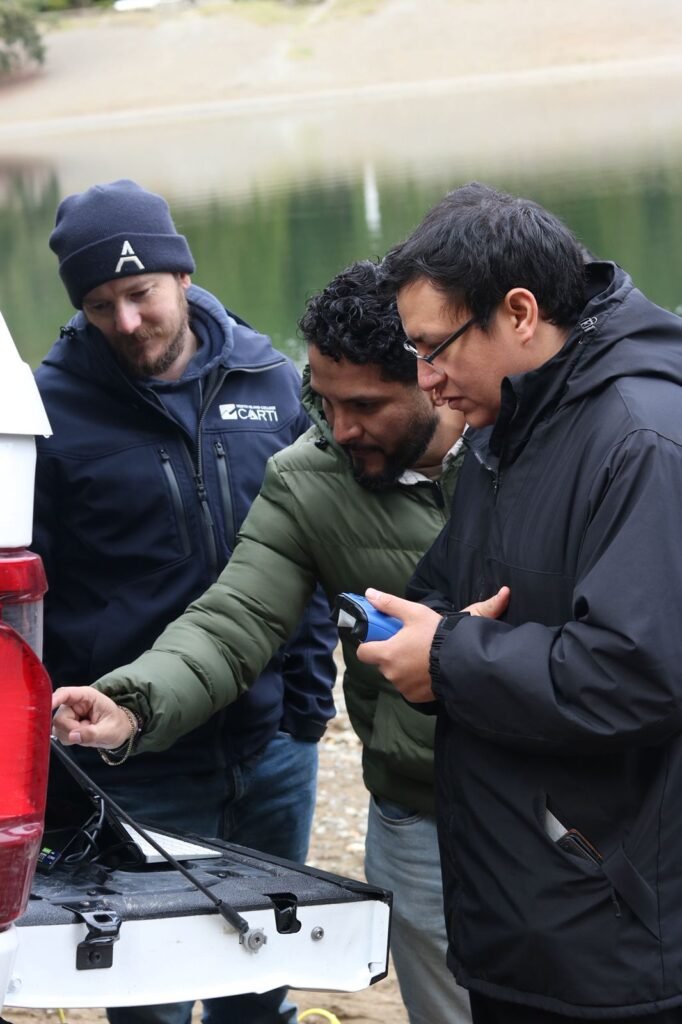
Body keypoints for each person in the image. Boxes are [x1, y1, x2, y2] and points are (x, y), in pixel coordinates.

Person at [51, 259, 486, 1024]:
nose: (339, 429)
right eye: (324, 402)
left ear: (432, 374)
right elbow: (235, 620)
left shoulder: (530, 449)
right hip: (416, 812)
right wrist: (130, 705)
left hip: (558, 806)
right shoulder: (309, 477)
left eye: (364, 406)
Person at [353, 181, 682, 1023]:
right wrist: (425, 635)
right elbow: (447, 588)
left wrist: (448, 658)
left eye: (435, 348)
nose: (425, 380)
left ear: (521, 313)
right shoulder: (511, 423)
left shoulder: (642, 439)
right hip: (518, 919)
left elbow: (636, 673)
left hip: (613, 941)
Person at [35, 179, 337, 1024]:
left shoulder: (270, 379)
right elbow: (30, 604)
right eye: (101, 305)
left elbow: (310, 549)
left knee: (259, 984)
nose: (127, 321)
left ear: (183, 275)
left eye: (141, 293)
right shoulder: (49, 412)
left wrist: (307, 710)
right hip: (133, 766)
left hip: (271, 749)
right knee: (149, 1001)